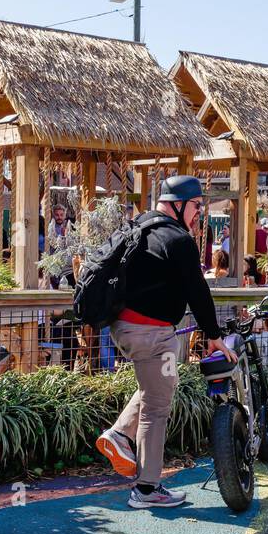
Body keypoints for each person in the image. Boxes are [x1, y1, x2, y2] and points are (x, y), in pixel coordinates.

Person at [95, 175, 237, 509]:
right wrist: (215, 337)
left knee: (158, 388)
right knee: (158, 408)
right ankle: (146, 489)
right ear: (179, 204)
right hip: (153, 335)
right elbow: (199, 294)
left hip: (123, 329)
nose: (199, 213)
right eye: (197, 206)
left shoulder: (139, 226)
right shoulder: (179, 239)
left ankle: (119, 435)